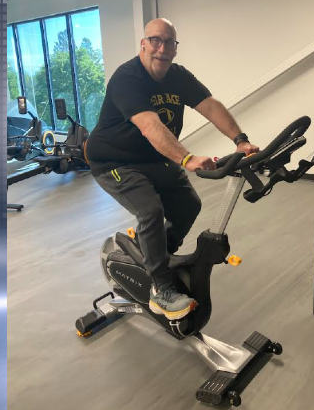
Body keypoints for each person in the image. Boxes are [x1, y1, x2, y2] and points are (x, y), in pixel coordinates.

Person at [85, 18, 260, 320]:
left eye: (169, 42)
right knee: (150, 212)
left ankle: (155, 256)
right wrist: (187, 158)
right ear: (143, 44)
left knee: (188, 205)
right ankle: (161, 288)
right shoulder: (127, 77)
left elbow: (210, 105)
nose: (162, 48)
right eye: (155, 40)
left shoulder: (178, 76)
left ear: (175, 49)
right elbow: (150, 126)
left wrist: (240, 140)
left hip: (153, 157)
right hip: (114, 161)